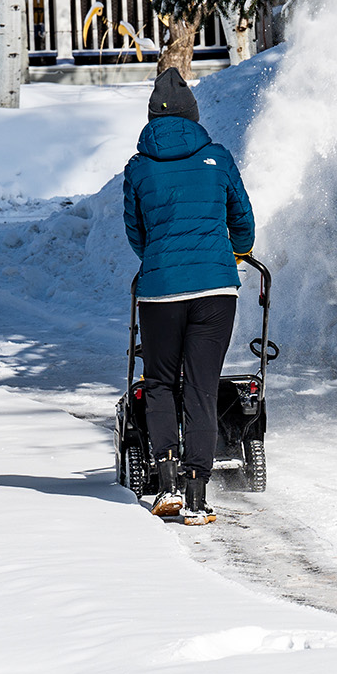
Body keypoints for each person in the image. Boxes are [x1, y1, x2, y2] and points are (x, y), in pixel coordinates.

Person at [123, 66, 254, 524]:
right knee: (201, 386)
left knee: (159, 382)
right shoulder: (217, 157)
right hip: (217, 291)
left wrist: (162, 258)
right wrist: (234, 254)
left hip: (161, 294)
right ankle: (198, 494)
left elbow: (136, 235)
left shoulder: (139, 168)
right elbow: (243, 222)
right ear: (193, 116)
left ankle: (166, 484)